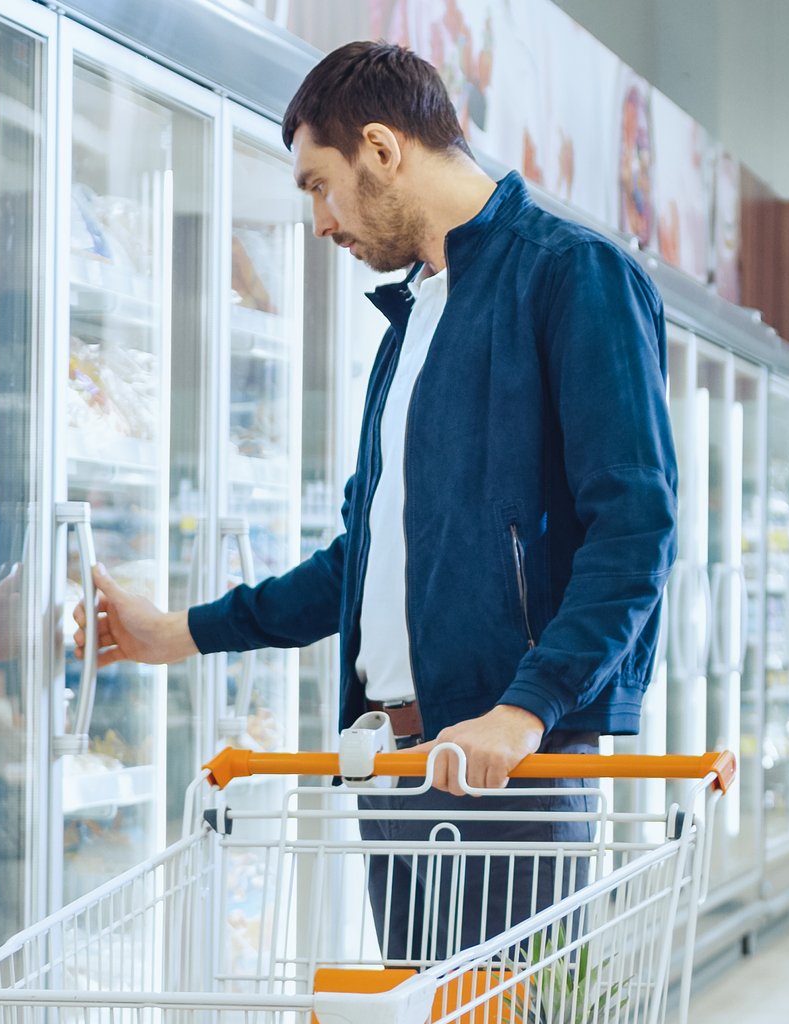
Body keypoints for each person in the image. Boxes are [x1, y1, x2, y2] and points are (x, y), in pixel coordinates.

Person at [86, 41, 676, 961]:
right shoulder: (409, 324)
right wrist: (179, 633)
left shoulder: (572, 278)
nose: (321, 223)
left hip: (506, 763)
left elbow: (634, 532)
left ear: (382, 148)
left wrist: (525, 711)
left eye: (320, 185)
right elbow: (358, 564)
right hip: (392, 762)